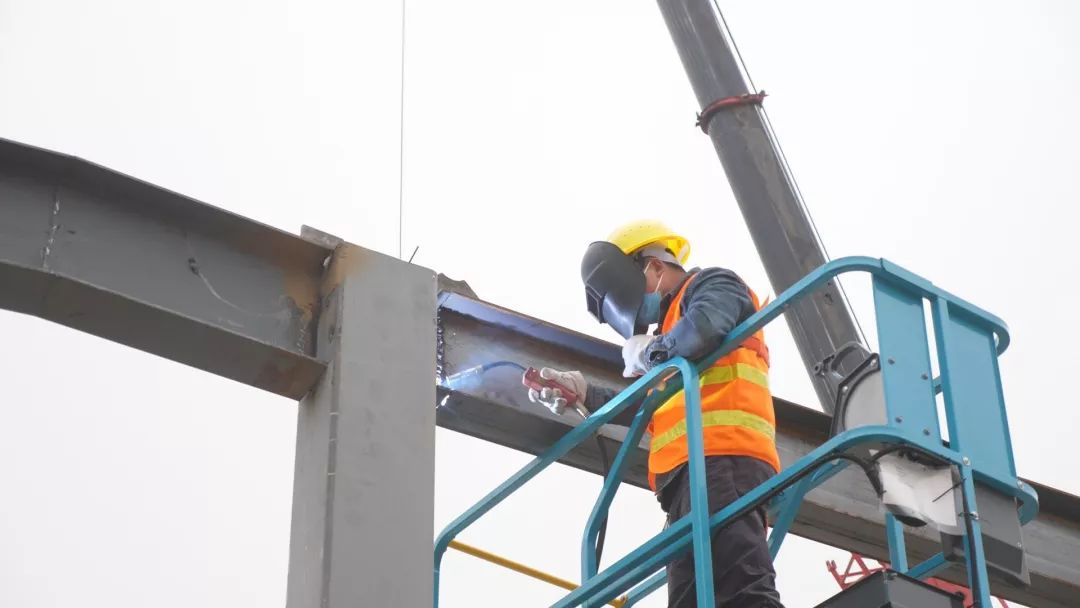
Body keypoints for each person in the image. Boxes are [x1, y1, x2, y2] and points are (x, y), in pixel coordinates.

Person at [526, 220, 785, 607]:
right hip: (686, 480)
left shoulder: (713, 285)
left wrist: (652, 352)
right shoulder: (671, 338)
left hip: (724, 459)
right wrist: (586, 393)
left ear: (655, 267)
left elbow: (707, 326)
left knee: (742, 591)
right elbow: (648, 407)